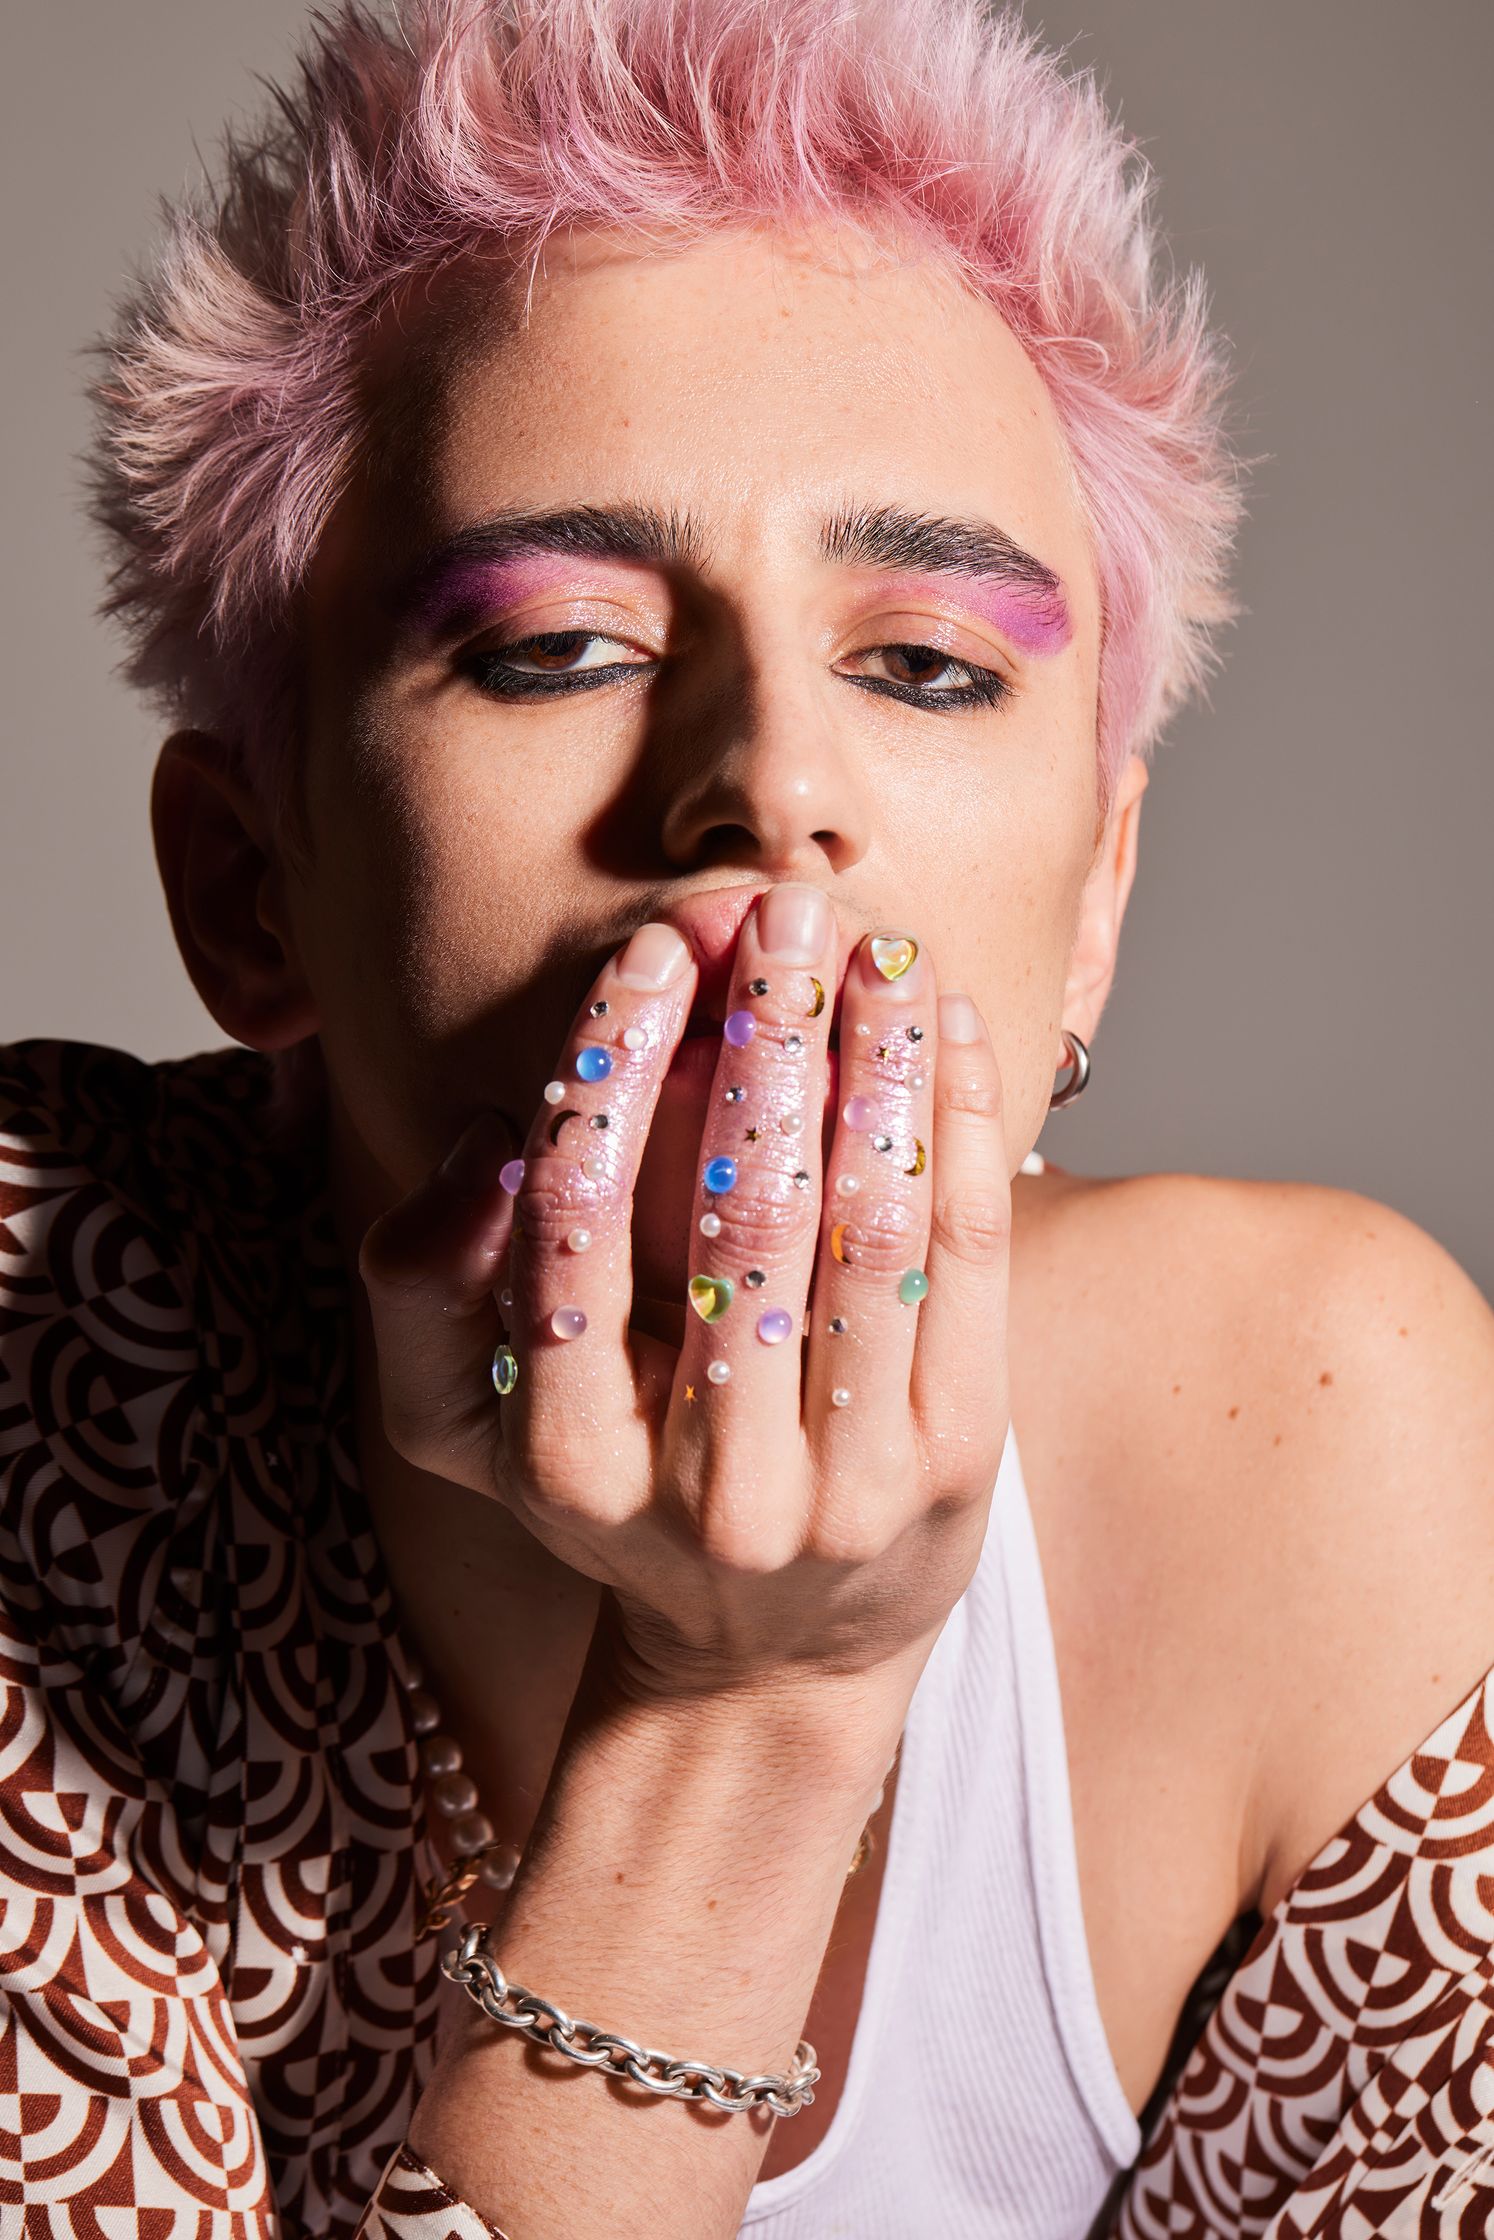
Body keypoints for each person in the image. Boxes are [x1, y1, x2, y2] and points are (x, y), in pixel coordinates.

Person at [2, 0, 1491, 2231]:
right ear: (252, 884)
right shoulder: (46, 1369)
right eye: (557, 644)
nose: (770, 782)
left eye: (924, 666)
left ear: (1094, 906)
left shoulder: (1327, 1443)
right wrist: (747, 1712)